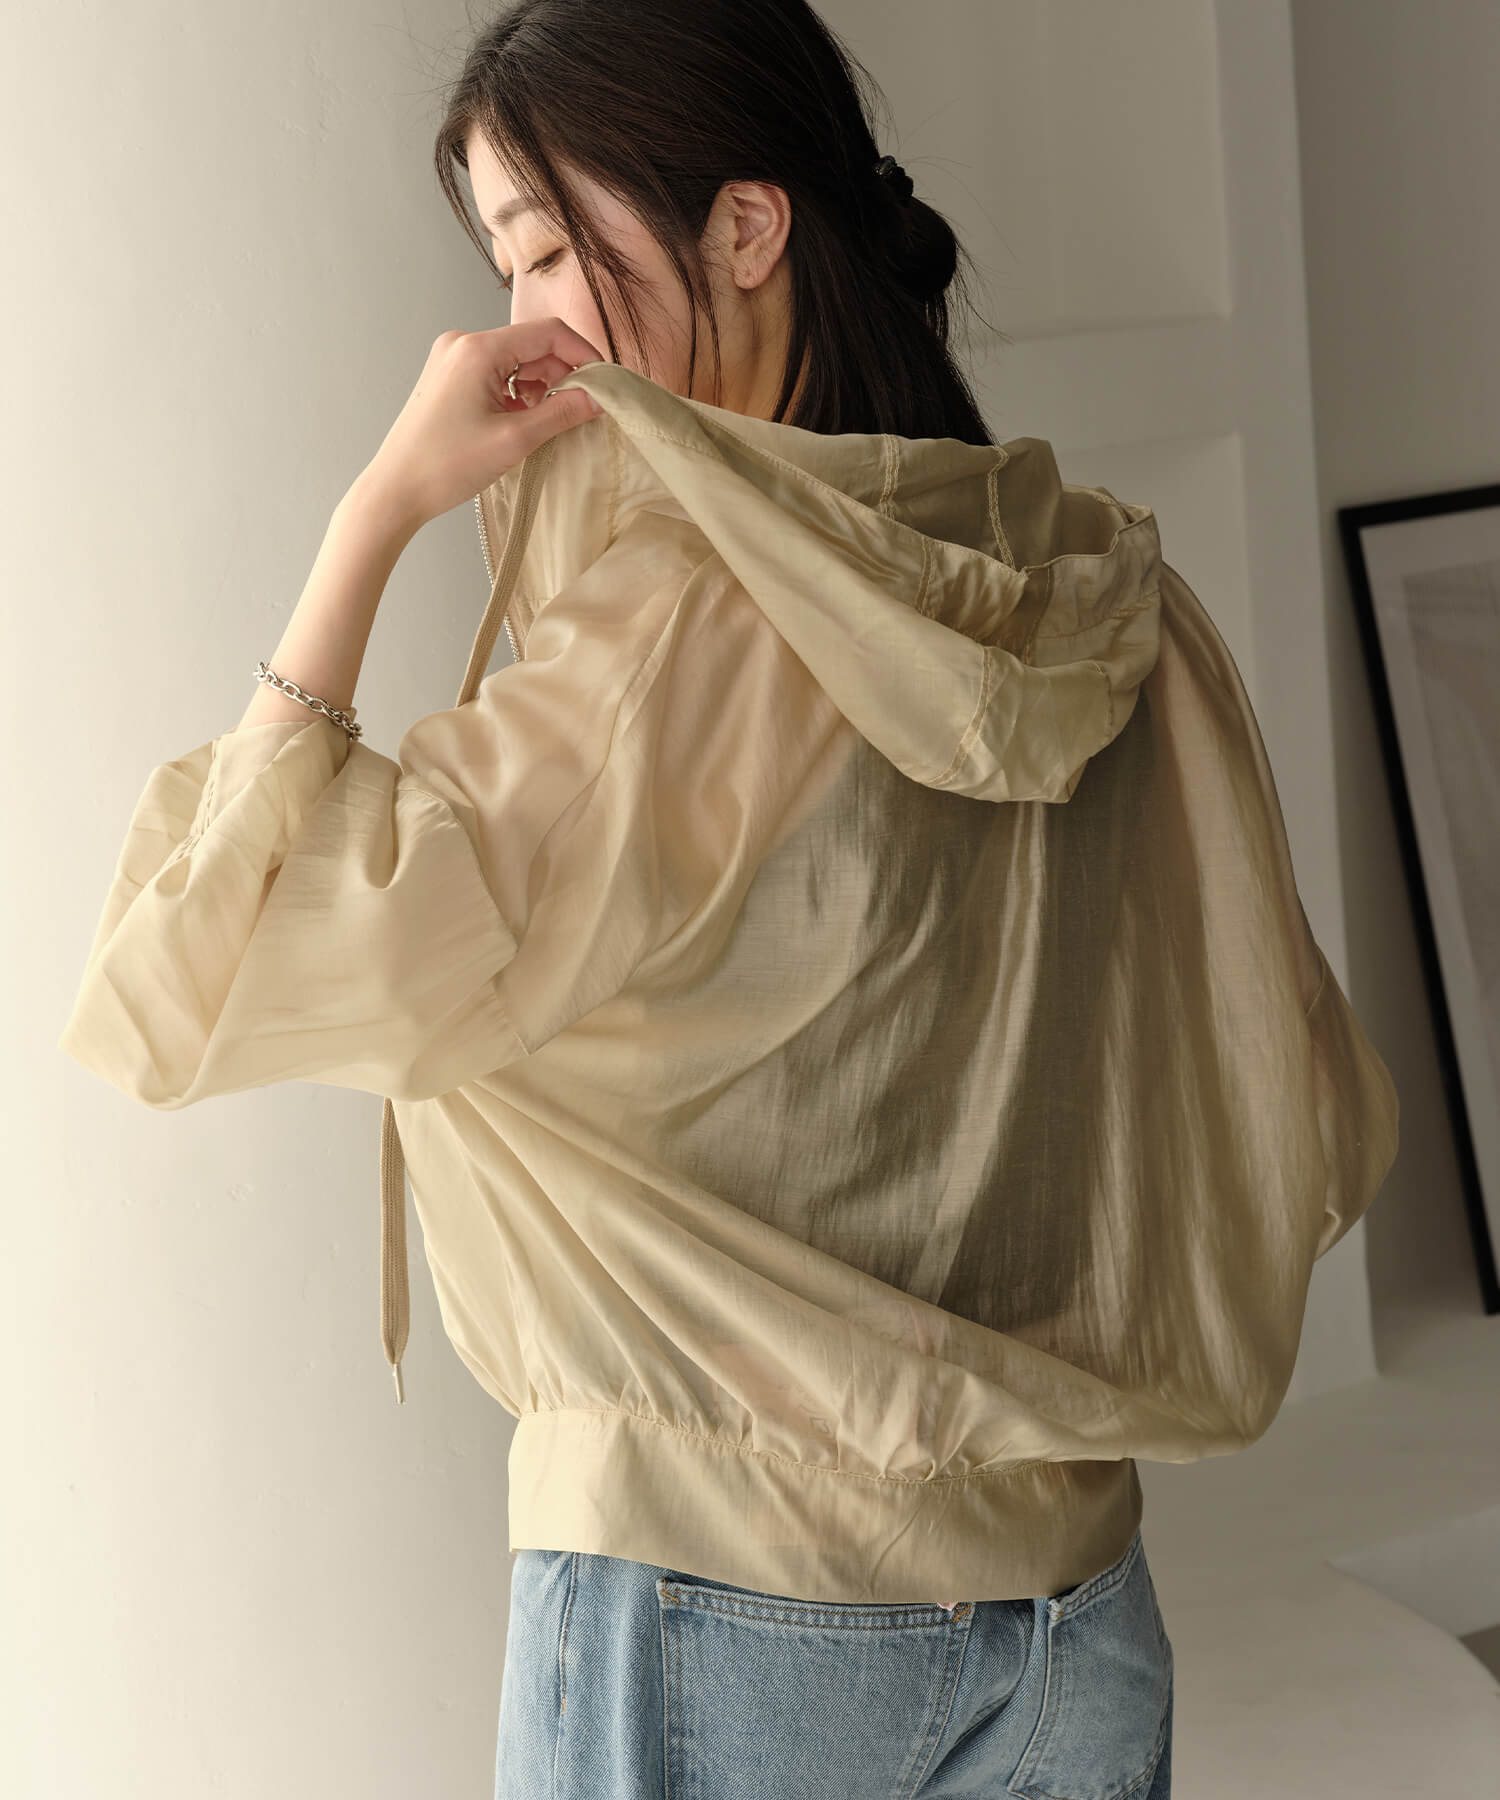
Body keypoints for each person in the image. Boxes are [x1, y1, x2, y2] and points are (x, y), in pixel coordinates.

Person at [58, 1, 1400, 1796]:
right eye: (505, 261)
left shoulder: (675, 634)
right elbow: (1271, 1083)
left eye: (547, 249)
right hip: (1076, 1612)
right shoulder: (1077, 589)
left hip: (727, 1603)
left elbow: (195, 966)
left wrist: (375, 511)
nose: (516, 319)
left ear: (748, 226)